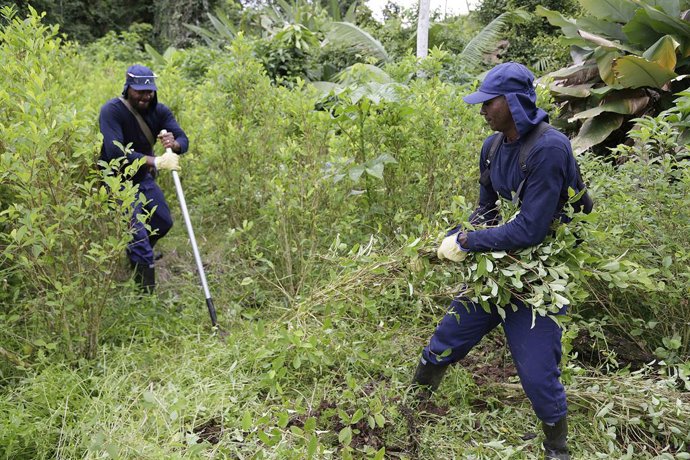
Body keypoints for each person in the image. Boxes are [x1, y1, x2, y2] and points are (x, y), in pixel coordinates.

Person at [413, 62, 582, 460]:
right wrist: (462, 234)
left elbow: (529, 231)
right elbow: (486, 209)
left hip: (536, 275)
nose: (483, 110)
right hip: (497, 270)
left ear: (515, 102)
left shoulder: (549, 148)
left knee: (539, 372)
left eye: (490, 102)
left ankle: (557, 449)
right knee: (446, 338)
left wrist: (469, 241)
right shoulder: (491, 149)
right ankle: (413, 405)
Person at [99, 64, 189, 293]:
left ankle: (137, 258)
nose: (145, 96)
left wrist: (174, 143)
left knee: (163, 222)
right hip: (116, 181)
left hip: (142, 178)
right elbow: (115, 152)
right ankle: (144, 298)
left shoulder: (159, 111)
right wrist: (155, 161)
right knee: (138, 237)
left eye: (148, 91)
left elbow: (183, 139)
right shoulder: (111, 111)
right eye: (139, 91)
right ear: (128, 88)